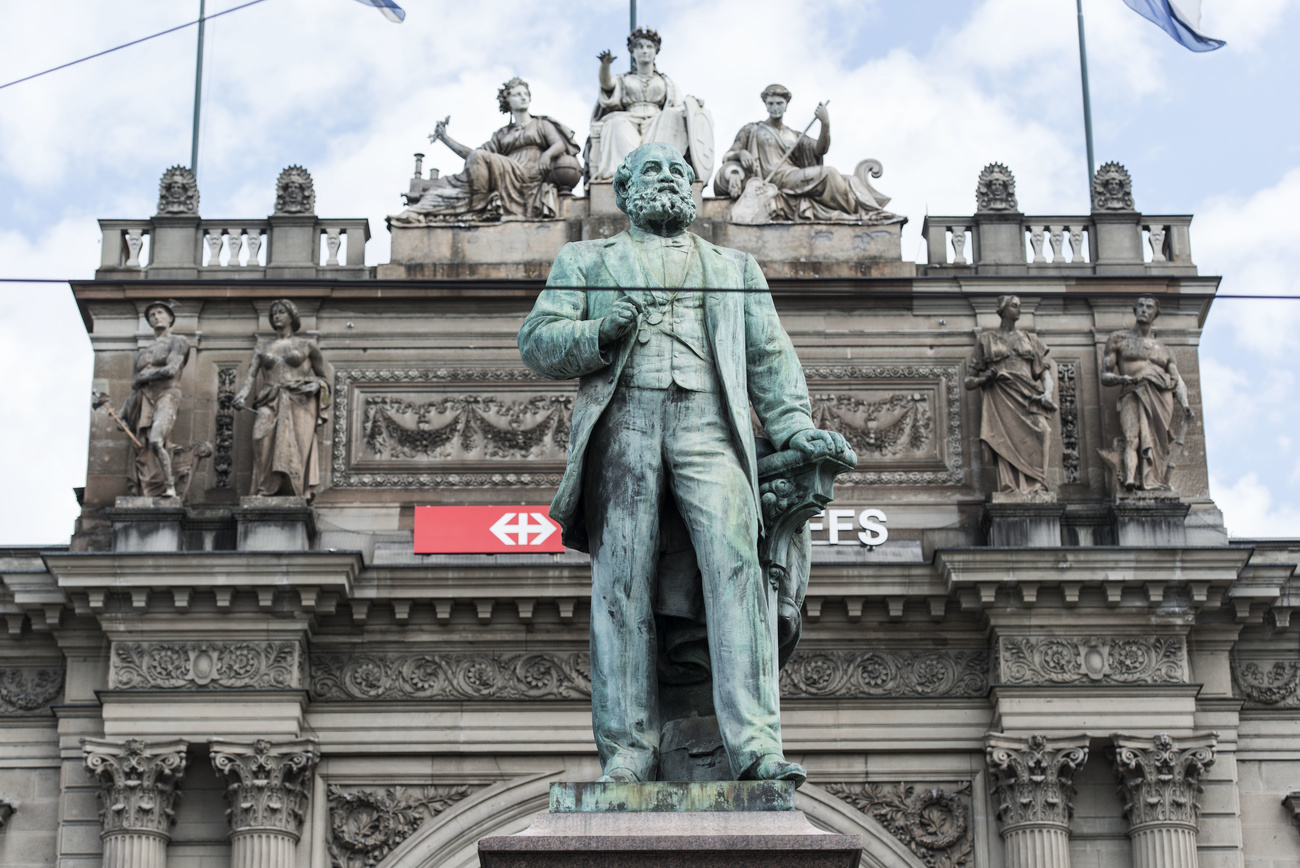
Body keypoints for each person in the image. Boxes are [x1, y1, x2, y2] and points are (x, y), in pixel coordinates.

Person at [518, 142, 850, 787]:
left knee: (736, 569)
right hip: (625, 427)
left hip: (709, 428)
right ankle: (628, 751)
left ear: (694, 189)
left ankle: (754, 744)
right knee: (623, 585)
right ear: (626, 189)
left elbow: (770, 360)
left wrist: (796, 428)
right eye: (654, 170)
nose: (669, 177)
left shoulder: (736, 267)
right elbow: (537, 342)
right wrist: (598, 333)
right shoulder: (586, 260)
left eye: (679, 170)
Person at [389, 78, 579, 224]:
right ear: (507, 101)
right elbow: (472, 156)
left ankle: (475, 205)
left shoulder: (541, 124)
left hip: (529, 173)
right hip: (503, 174)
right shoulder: (502, 134)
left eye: (525, 93)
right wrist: (445, 139)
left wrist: (547, 154)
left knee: (480, 158)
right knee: (446, 184)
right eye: (517, 94)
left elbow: (559, 144)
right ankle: (433, 207)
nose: (523, 97)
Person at [716, 84, 896, 222]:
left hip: (792, 176)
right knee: (829, 174)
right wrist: (740, 154)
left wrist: (825, 124)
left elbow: (820, 149)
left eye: (780, 103)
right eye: (771, 104)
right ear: (765, 105)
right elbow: (728, 156)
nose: (776, 108)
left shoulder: (794, 136)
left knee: (850, 180)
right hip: (775, 179)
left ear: (786, 106)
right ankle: (859, 211)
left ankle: (864, 211)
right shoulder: (752, 130)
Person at [586, 28, 713, 185]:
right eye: (640, 47)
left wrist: (693, 106)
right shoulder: (623, 79)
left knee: (672, 115)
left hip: (657, 122)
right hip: (630, 118)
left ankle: (662, 169)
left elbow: (680, 106)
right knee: (616, 124)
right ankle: (624, 175)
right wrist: (605, 66)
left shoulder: (666, 82)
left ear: (655, 51)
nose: (644, 51)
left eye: (649, 47)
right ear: (633, 52)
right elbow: (607, 84)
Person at [232, 299, 329, 499]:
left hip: (300, 401)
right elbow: (250, 375)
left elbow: (324, 378)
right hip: (269, 398)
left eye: (281, 312)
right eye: (274, 312)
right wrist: (242, 395)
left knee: (299, 447)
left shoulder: (307, 345)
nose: (276, 315)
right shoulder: (262, 348)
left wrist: (317, 385)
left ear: (292, 316)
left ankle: (295, 491)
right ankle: (263, 488)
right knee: (261, 438)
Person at [964, 295, 1057, 494]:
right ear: (1003, 310)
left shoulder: (1031, 340)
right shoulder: (986, 340)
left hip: (1029, 396)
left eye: (1020, 306)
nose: (1019, 310)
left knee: (1044, 431)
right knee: (1003, 440)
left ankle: (1037, 485)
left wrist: (1048, 393)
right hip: (1000, 397)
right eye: (1015, 306)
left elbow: (1046, 375)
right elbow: (968, 381)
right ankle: (1010, 487)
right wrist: (984, 380)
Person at [1101, 296, 1191, 491]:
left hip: (1161, 398)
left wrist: (1185, 404)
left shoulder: (1165, 350)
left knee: (1157, 442)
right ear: (1134, 310)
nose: (1144, 310)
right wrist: (1121, 379)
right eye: (1140, 306)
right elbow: (1105, 376)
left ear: (1155, 314)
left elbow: (1178, 381)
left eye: (1149, 307)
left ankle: (1153, 479)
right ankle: (1131, 480)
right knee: (1132, 438)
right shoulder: (1118, 339)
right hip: (1132, 392)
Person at [120, 301, 189, 497]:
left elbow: (171, 369)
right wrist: (124, 412)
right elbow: (135, 388)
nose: (156, 317)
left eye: (160, 313)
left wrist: (146, 376)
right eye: (152, 315)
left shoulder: (178, 341)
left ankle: (169, 487)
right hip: (144, 400)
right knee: (142, 447)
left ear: (170, 318)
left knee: (156, 441)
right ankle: (147, 489)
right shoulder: (143, 354)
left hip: (167, 395)